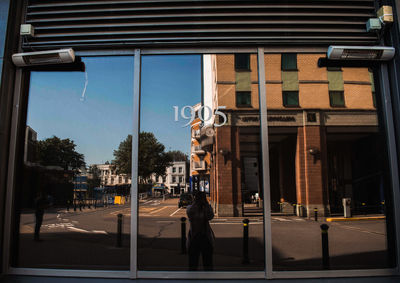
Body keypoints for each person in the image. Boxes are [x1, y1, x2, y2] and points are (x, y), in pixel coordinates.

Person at [186, 191, 215, 271]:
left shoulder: (192, 208)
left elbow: (210, 216)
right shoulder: (197, 209)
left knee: (194, 263)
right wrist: (205, 204)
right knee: (207, 263)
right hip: (203, 236)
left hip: (196, 236)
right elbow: (210, 216)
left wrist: (199, 204)